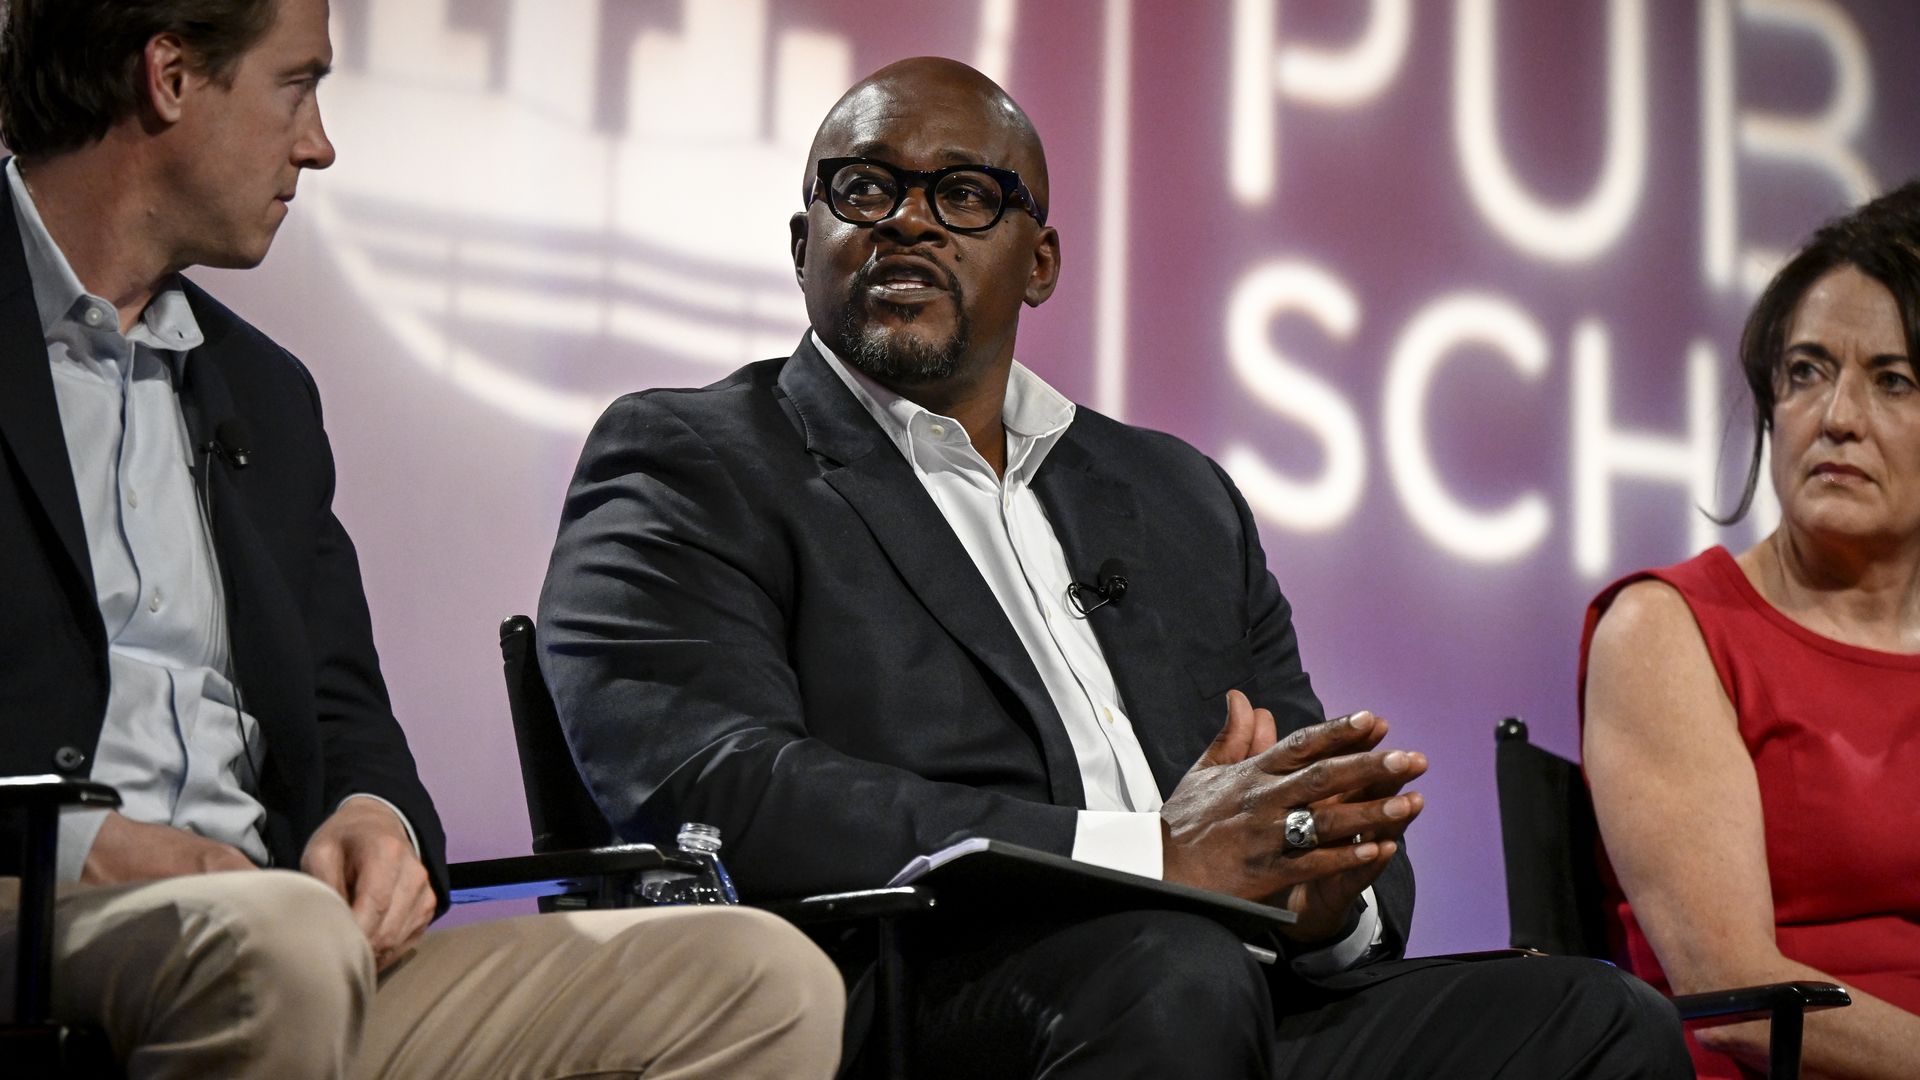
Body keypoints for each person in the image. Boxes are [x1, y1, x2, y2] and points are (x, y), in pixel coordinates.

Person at [541, 55, 1689, 1078]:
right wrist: (1159, 857)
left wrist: (1315, 889)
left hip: (1232, 987)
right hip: (914, 993)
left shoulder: (1176, 495)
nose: (909, 223)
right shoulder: (696, 456)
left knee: (1594, 1020)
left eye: (964, 194)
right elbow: (718, 785)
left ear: (1039, 262)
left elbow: (1304, 780)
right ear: (805, 246)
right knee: (1175, 972)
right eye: (865, 188)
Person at [0, 0, 844, 1076]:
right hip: (41, 913)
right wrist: (81, 847)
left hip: (279, 933)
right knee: (279, 946)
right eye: (298, 86)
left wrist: (375, 819)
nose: (318, 144)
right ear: (169, 77)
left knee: (761, 980)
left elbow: (343, 712)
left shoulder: (264, 393)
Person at [1582, 186, 1920, 1078]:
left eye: (1892, 380)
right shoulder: (1668, 631)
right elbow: (1735, 993)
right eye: (1806, 371)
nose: (1836, 416)